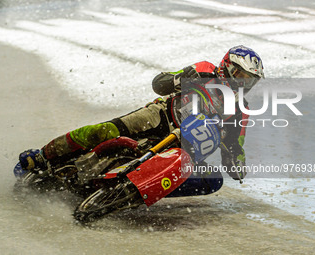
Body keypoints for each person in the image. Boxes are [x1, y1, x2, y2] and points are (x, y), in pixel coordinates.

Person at [17, 45, 264, 196]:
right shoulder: (204, 69)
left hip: (184, 150)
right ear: (226, 66)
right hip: (160, 117)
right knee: (105, 130)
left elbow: (236, 147)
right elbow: (160, 83)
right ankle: (42, 155)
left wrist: (237, 164)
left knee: (212, 182)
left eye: (249, 80)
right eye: (240, 75)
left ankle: (135, 191)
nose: (243, 83)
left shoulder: (241, 110)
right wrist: (179, 79)